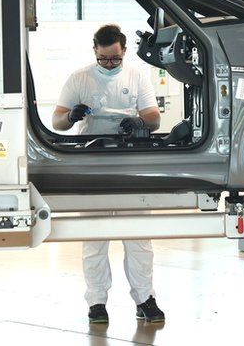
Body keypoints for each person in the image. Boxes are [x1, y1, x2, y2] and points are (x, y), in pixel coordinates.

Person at [52, 24, 166, 325]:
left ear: (124, 51)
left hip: (129, 163)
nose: (109, 64)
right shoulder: (79, 79)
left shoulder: (137, 76)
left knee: (139, 239)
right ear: (95, 51)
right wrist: (71, 116)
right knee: (94, 239)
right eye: (104, 59)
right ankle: (97, 302)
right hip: (92, 163)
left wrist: (138, 120)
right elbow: (58, 121)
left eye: (115, 59)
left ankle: (145, 298)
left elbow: (154, 118)